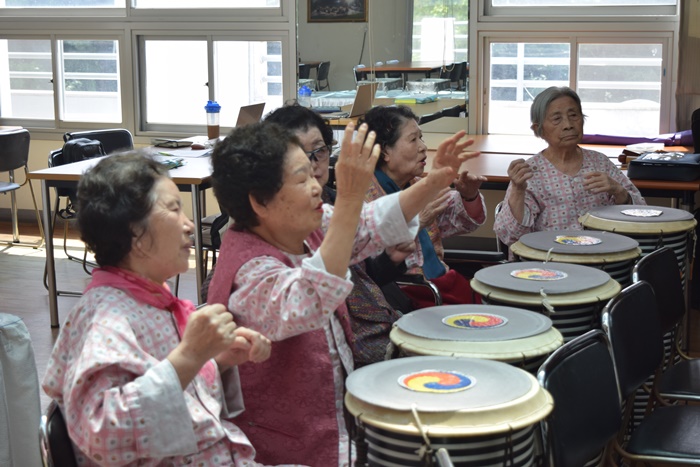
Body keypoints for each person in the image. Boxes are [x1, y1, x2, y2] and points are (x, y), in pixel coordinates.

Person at [206, 120, 479, 466]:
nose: (316, 186)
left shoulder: (299, 227)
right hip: (283, 446)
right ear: (260, 202)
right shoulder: (248, 271)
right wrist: (349, 196)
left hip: (330, 421)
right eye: (301, 179)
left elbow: (368, 222)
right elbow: (310, 299)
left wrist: (434, 181)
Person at [41, 153, 292, 466]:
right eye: (174, 209)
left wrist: (214, 361)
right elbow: (102, 434)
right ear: (136, 233)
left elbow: (161, 385)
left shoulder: (146, 299)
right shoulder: (105, 318)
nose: (189, 225)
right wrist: (190, 356)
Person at [263, 104, 413, 367]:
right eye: (300, 153)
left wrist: (390, 260)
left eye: (319, 151)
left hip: (382, 321)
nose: (313, 163)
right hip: (351, 343)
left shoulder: (335, 201)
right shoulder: (275, 223)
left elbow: (364, 274)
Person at [361, 105, 488, 308]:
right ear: (385, 151)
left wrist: (469, 196)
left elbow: (463, 221)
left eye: (421, 138)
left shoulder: (419, 185)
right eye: (413, 140)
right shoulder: (363, 199)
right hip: (409, 293)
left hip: (441, 283)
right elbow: (370, 267)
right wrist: (416, 223)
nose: (422, 147)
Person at [494, 86, 646, 247]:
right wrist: (518, 190)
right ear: (538, 129)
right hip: (549, 256)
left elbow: (641, 215)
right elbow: (511, 236)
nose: (568, 125)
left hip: (602, 254)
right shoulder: (530, 173)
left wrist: (618, 191)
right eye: (557, 119)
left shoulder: (600, 162)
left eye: (573, 115)